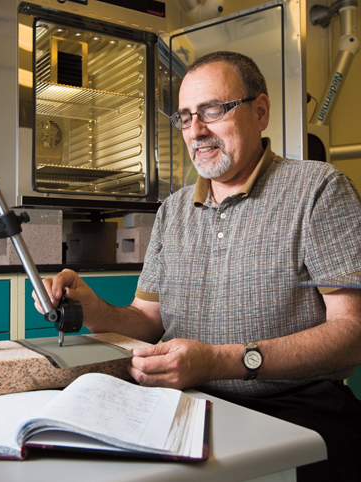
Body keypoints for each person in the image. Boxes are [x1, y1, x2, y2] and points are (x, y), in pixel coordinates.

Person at [34, 51, 361, 481]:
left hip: (294, 407)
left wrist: (221, 361)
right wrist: (94, 310)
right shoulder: (173, 209)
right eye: (185, 117)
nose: (197, 131)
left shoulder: (317, 189)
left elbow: (352, 333)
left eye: (213, 110)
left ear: (260, 111)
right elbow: (148, 321)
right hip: (183, 402)